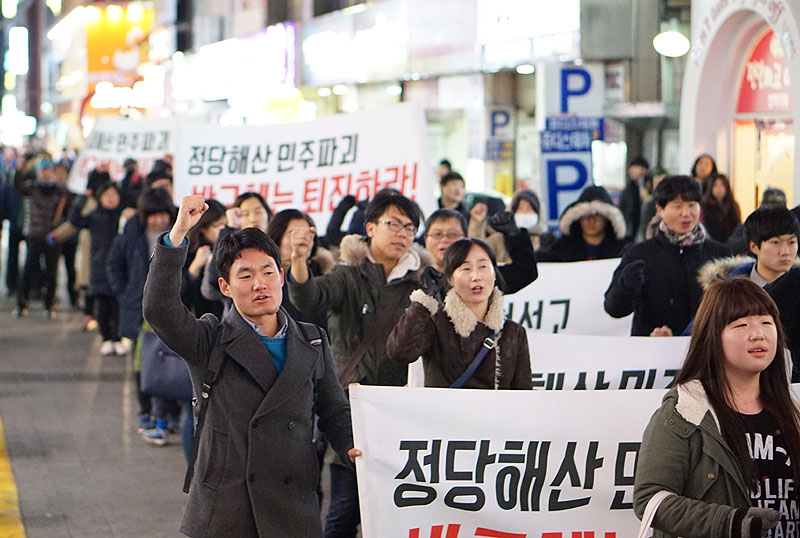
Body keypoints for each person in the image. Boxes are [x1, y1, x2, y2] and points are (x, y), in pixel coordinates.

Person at [143, 195, 357, 538]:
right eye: (245, 275)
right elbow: (158, 309)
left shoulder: (312, 340)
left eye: (268, 271)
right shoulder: (210, 339)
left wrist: (352, 447)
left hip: (294, 508)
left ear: (281, 277)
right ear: (225, 287)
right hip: (228, 511)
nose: (260, 283)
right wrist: (179, 232)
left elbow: (333, 408)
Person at [287, 188, 432, 538]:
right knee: (343, 514)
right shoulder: (348, 275)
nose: (402, 234)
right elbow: (310, 297)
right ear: (370, 228)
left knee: (399, 517)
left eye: (409, 228)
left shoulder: (423, 283)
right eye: (393, 224)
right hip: (353, 415)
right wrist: (298, 262)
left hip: (404, 418)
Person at [634, 278, 798, 538]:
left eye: (766, 322)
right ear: (713, 336)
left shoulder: (792, 410)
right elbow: (650, 499)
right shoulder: (684, 411)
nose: (759, 334)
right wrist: (729, 522)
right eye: (741, 324)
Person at [387, 238, 532, 389]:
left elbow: (523, 393)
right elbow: (399, 352)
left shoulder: (513, 332)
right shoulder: (435, 323)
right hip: (443, 412)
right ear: (450, 279)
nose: (476, 276)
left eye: (483, 266)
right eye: (466, 269)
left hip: (496, 412)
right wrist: (423, 301)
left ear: (494, 274)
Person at [604, 175, 730, 336]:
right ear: (660, 210)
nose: (686, 213)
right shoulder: (640, 254)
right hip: (653, 351)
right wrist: (625, 285)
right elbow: (614, 309)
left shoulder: (719, 254)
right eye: (677, 206)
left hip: (706, 352)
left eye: (692, 205)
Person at [424, 208, 537, 296]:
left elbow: (525, 272)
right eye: (437, 234)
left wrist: (514, 235)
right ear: (425, 239)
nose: (444, 240)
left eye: (453, 234)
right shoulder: (412, 274)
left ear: (465, 238)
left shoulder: (479, 278)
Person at [69, 182, 126, 355]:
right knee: (102, 306)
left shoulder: (123, 217)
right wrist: (82, 198)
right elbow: (75, 220)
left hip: (120, 268)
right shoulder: (94, 216)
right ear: (100, 198)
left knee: (117, 305)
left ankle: (118, 338)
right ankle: (106, 338)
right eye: (106, 195)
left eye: (113, 194)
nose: (110, 198)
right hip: (99, 267)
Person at [16, 159, 68, 318]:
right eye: (42, 170)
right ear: (38, 172)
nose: (45, 173)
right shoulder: (31, 187)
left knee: (52, 272)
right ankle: (21, 303)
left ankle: (49, 304)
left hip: (53, 236)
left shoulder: (60, 190)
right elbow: (17, 184)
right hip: (34, 234)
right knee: (29, 268)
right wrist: (21, 168)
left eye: (48, 170)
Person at [266, 209, 333, 329]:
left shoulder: (326, 274)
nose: (301, 240)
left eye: (307, 235)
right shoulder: (266, 278)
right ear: (277, 237)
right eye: (293, 234)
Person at [540, 185, 627, 262]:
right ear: (578, 219)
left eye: (597, 215)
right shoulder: (561, 249)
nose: (591, 221)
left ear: (607, 219)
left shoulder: (623, 250)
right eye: (586, 216)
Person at [701, 174, 741, 243]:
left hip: (732, 243)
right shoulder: (705, 205)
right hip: (712, 243)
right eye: (715, 185)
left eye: (722, 185)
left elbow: (737, 225)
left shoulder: (734, 205)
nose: (719, 189)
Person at [619, 156, 649, 242]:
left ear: (644, 170)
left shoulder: (648, 187)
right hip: (630, 230)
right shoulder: (628, 189)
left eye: (636, 168)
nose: (632, 171)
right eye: (631, 169)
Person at [636, 166, 668, 242]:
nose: (661, 187)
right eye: (658, 183)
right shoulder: (649, 204)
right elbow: (645, 230)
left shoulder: (671, 203)